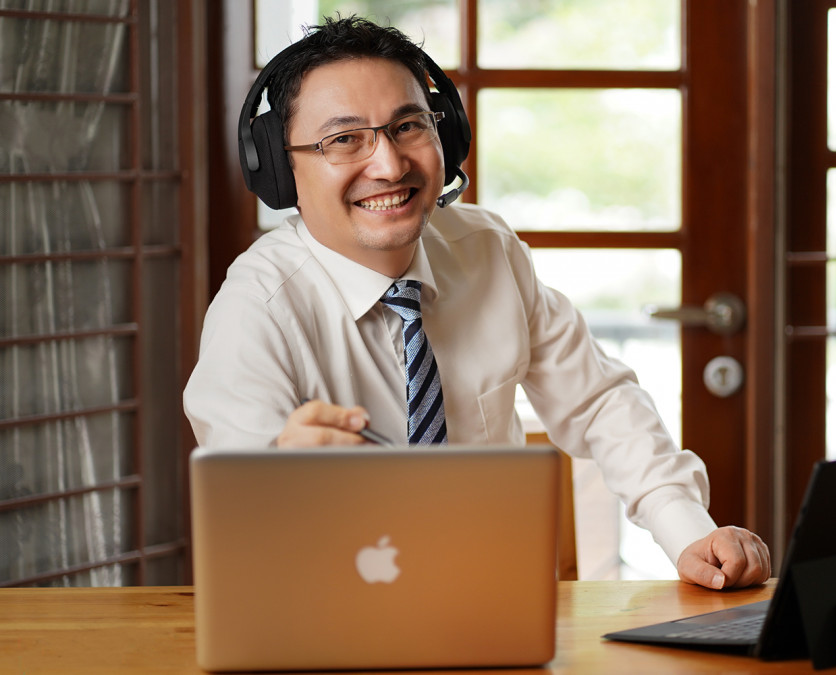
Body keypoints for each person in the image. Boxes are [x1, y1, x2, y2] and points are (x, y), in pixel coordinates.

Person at [184, 15, 770, 591]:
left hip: (499, 600)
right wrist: (278, 479)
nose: (389, 166)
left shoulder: (487, 250)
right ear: (281, 170)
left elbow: (598, 403)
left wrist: (687, 530)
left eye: (408, 126)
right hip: (336, 613)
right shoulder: (255, 309)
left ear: (448, 137)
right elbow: (240, 529)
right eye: (344, 140)